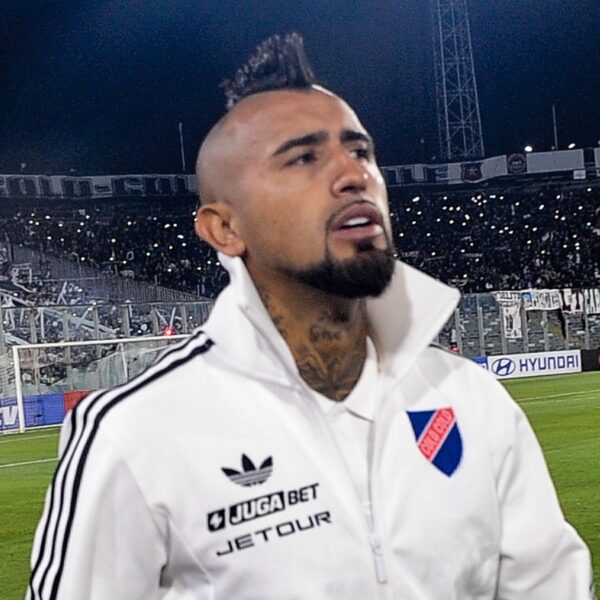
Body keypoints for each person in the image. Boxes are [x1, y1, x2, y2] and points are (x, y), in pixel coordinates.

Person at [28, 33, 594, 600]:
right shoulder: (135, 433)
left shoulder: (471, 398)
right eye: (303, 157)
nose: (353, 175)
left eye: (361, 152)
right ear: (224, 228)